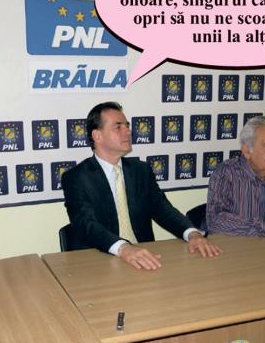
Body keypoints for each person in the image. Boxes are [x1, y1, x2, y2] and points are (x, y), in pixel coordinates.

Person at [62, 101, 221, 270]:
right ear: (97, 136)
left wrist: (193, 234)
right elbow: (86, 224)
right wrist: (123, 248)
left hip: (144, 258)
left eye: (127, 126)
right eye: (118, 127)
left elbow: (163, 210)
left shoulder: (141, 170)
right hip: (100, 260)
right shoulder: (76, 177)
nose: (128, 131)